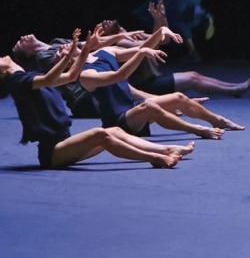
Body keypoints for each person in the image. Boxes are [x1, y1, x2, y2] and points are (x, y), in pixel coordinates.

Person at [0, 28, 188, 169]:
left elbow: (72, 76)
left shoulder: (28, 78)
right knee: (101, 134)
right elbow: (50, 78)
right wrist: (69, 55)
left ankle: (167, 149)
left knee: (114, 130)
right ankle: (155, 158)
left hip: (64, 142)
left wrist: (84, 49)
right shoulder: (19, 81)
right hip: (53, 151)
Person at [78, 27, 242, 139]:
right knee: (149, 107)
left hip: (133, 108)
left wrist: (159, 32)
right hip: (118, 121)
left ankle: (217, 120)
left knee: (178, 97)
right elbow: (120, 75)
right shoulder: (86, 74)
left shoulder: (106, 51)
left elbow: (142, 47)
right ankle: (198, 130)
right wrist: (141, 53)